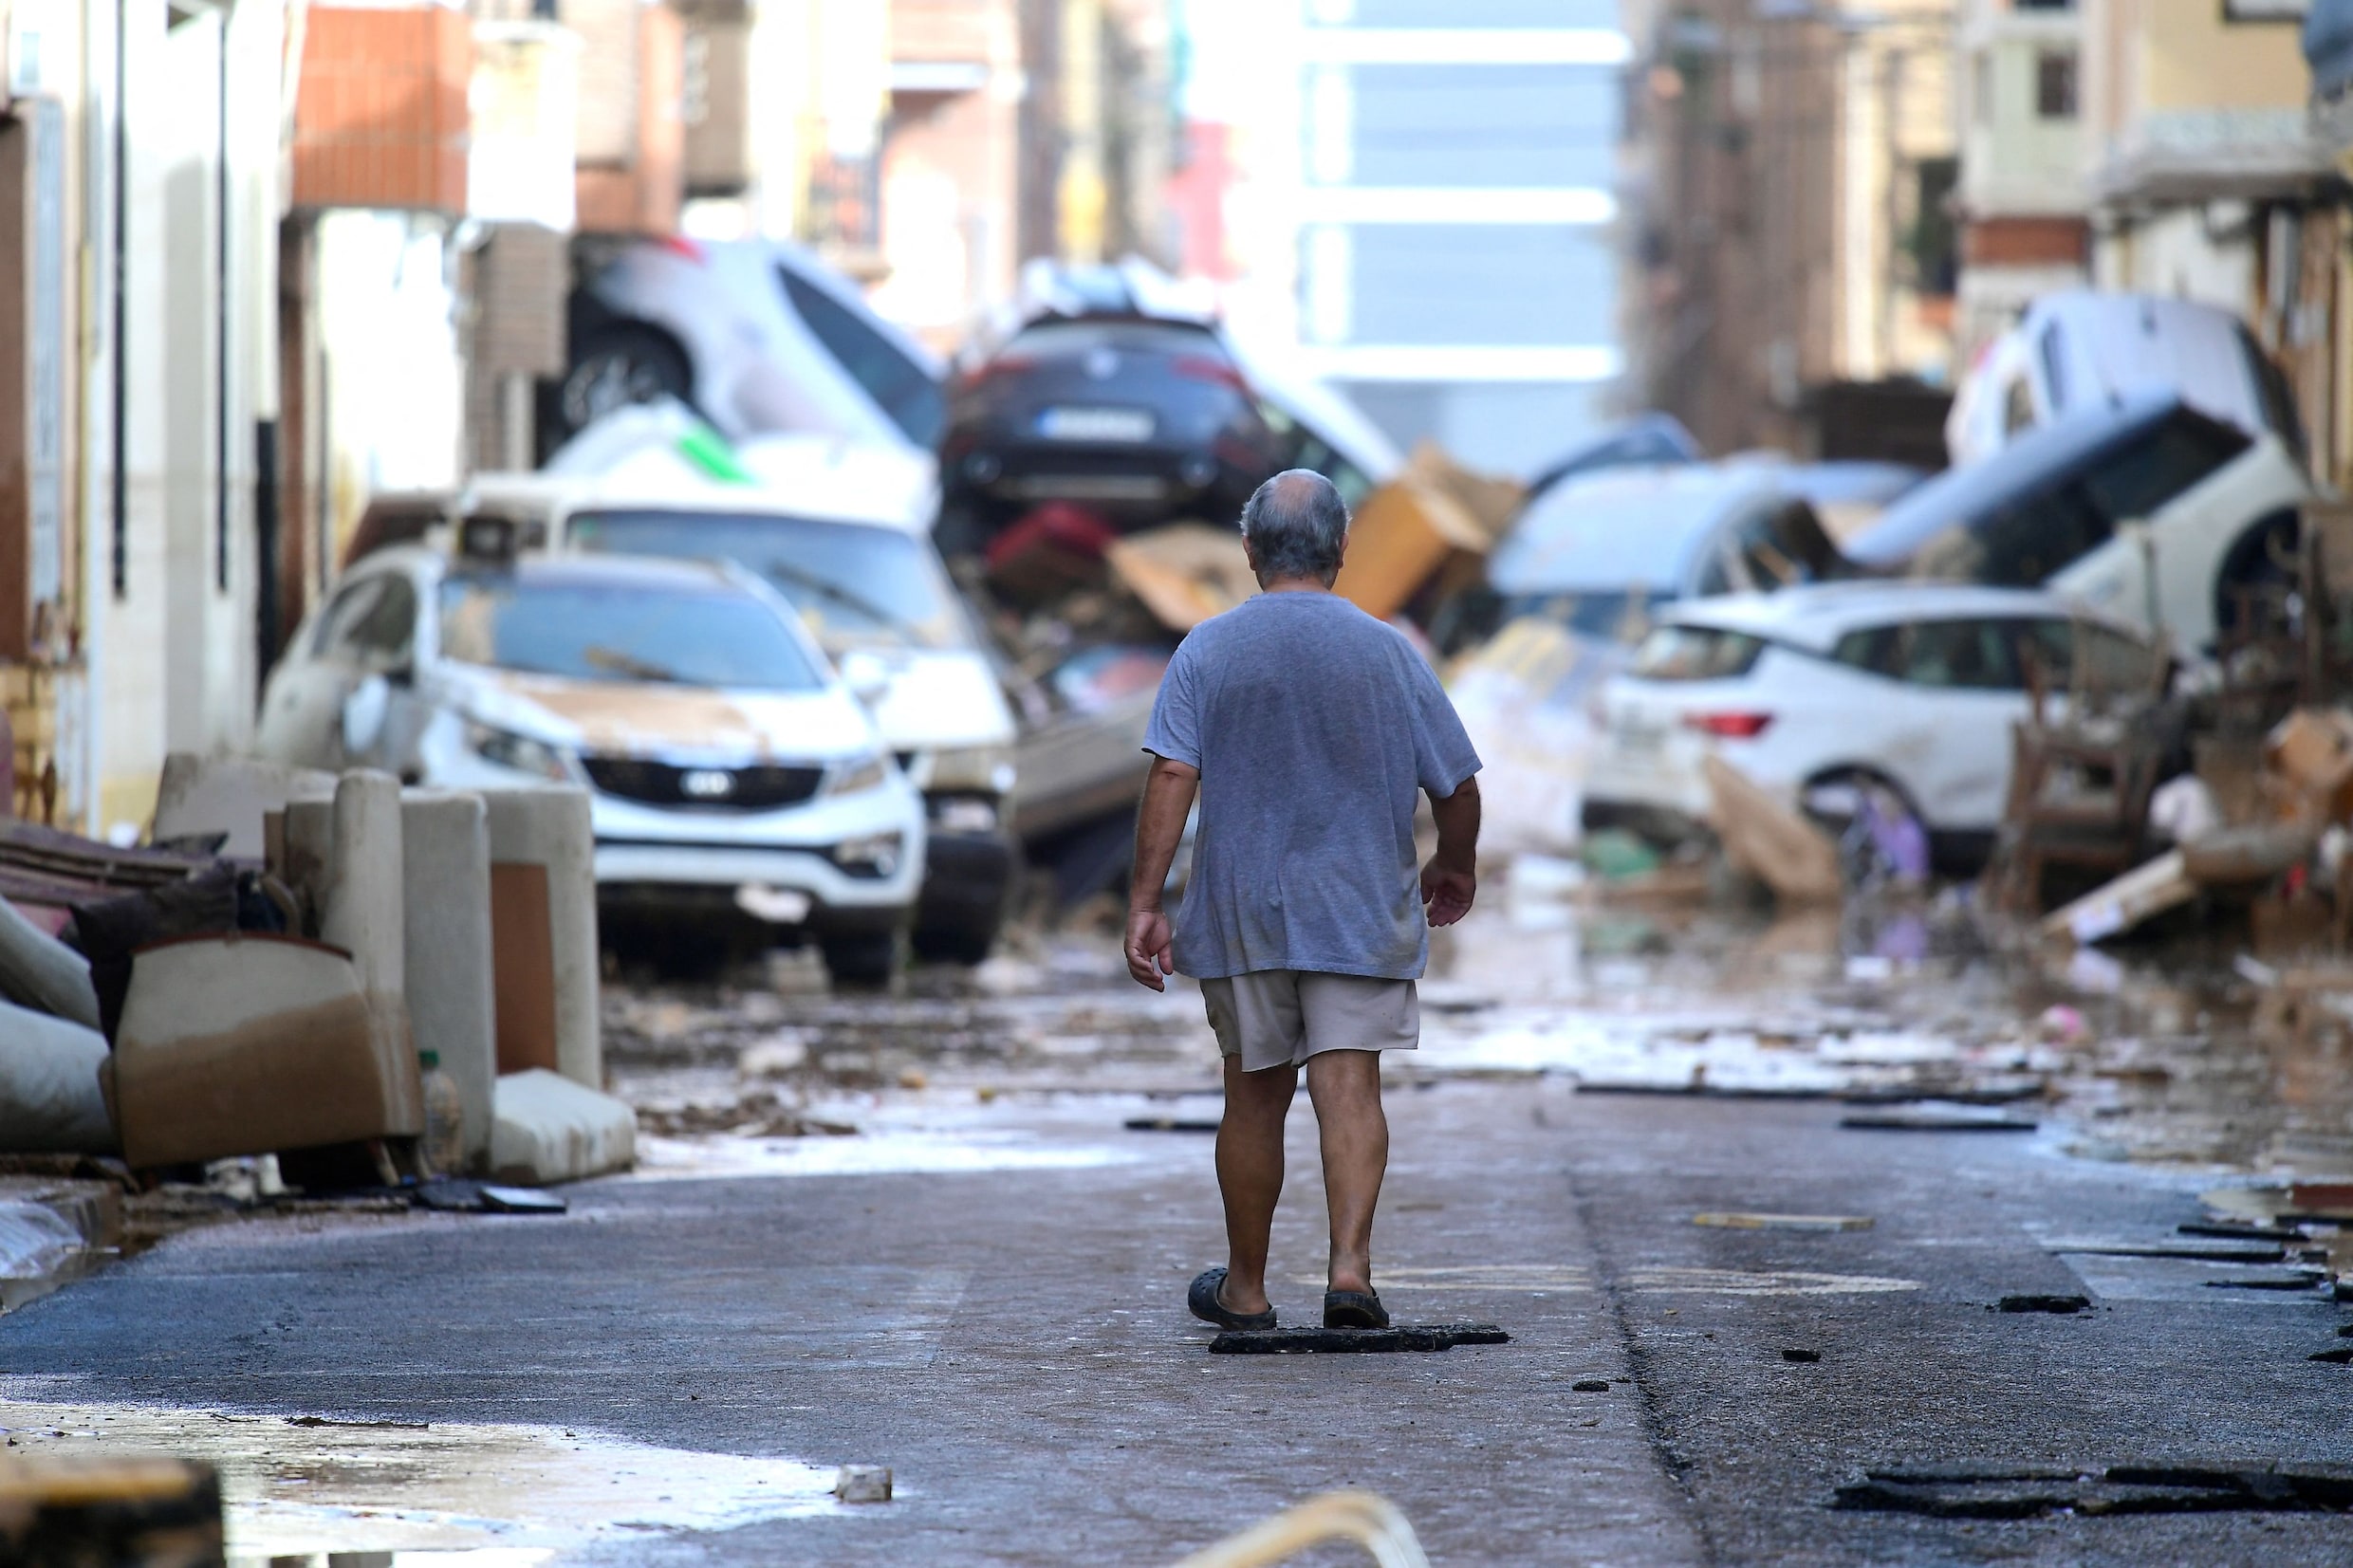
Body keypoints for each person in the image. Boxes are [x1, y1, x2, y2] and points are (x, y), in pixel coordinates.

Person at [1124, 469, 1482, 1332]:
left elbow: (1174, 772)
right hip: (1360, 904)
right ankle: (1349, 1274)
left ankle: (1245, 1290)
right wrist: (1455, 865)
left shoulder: (1206, 648)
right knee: (1350, 1085)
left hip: (1244, 907)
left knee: (1254, 1093)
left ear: (1248, 551)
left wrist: (1145, 899)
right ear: (1342, 548)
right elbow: (1458, 783)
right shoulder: (1390, 650)